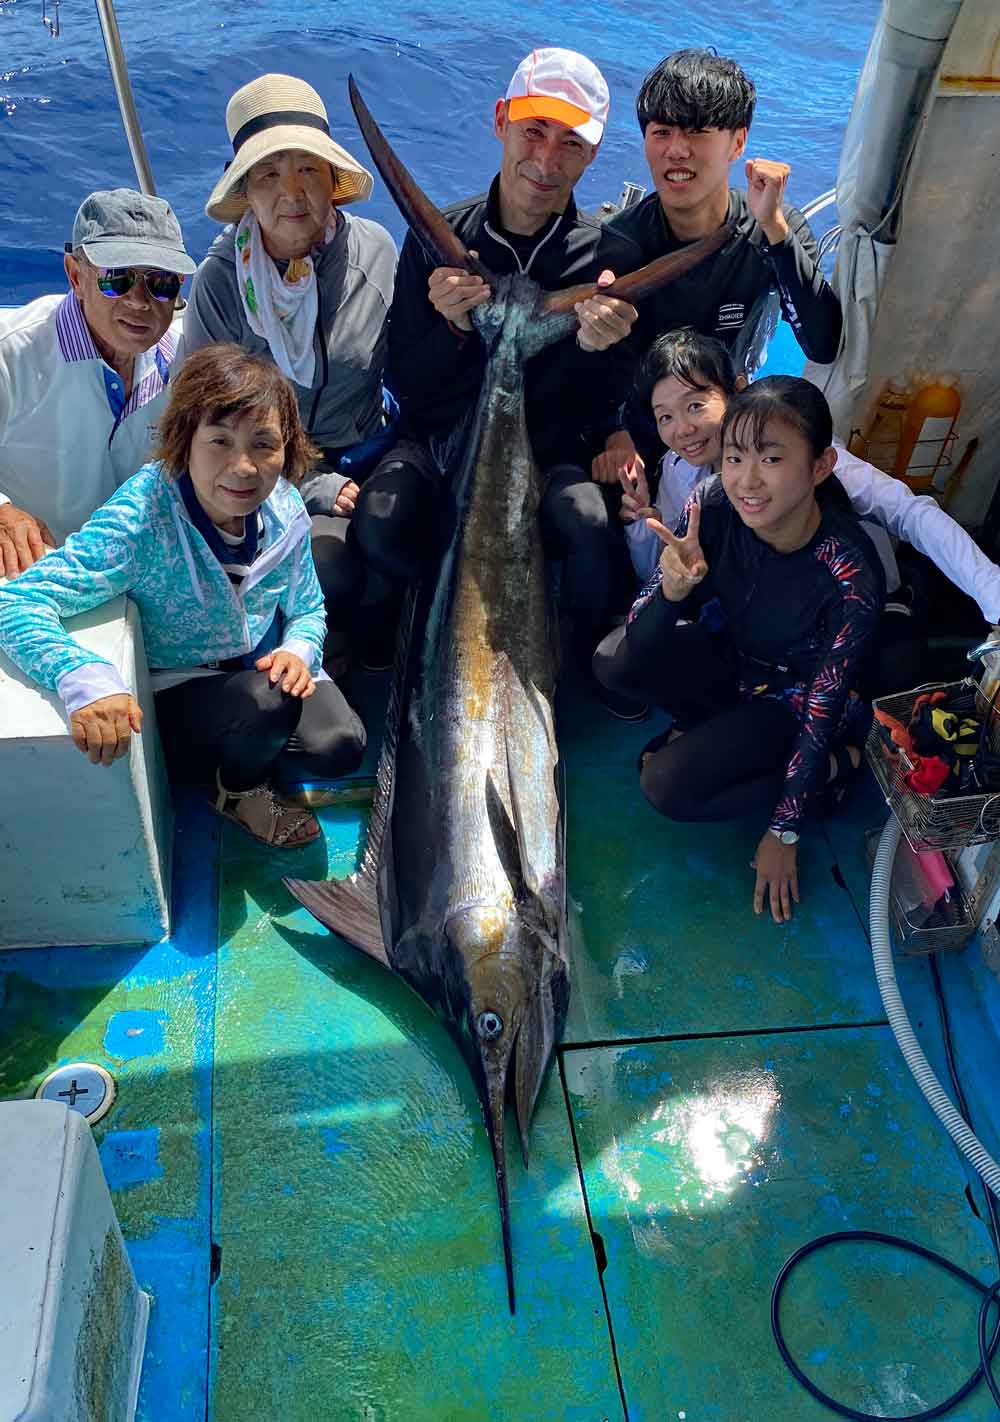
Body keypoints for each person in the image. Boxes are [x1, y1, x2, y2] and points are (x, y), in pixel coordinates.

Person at [351, 47, 644, 700]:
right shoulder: (436, 237)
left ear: (593, 155)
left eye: (571, 143)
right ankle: (433, 605)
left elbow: (597, 407)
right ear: (500, 121)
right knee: (379, 521)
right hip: (435, 445)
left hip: (543, 456)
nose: (545, 160)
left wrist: (599, 347)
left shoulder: (611, 261)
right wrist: (453, 330)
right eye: (534, 131)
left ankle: (573, 662)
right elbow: (409, 382)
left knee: (591, 526)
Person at [0, 344, 366, 849]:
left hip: (259, 665)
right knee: (267, 704)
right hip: (181, 689)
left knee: (341, 746)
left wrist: (299, 651)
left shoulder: (284, 504)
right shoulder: (139, 520)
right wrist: (84, 678)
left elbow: (307, 606)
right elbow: (16, 601)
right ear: (183, 442)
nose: (243, 467)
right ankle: (237, 790)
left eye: (264, 444)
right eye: (219, 441)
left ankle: (245, 744)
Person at [607, 376, 885, 924]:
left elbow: (823, 708)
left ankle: (839, 770)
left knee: (664, 784)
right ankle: (714, 727)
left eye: (771, 459)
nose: (746, 481)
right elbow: (639, 631)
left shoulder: (849, 573)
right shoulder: (712, 504)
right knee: (614, 661)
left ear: (821, 466)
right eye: (734, 457)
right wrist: (670, 592)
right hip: (740, 666)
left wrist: (784, 830)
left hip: (802, 700)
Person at [596, 328, 1000, 699]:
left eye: (696, 405)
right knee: (629, 657)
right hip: (755, 613)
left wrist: (994, 596)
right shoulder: (680, 471)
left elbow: (910, 513)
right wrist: (642, 522)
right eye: (665, 416)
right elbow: (664, 572)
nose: (683, 429)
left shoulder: (804, 453)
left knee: (889, 678)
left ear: (736, 391)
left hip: (842, 611)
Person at [183, 73, 398, 660]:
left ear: (332, 181)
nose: (291, 193)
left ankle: (378, 640)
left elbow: (411, 361)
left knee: (398, 532)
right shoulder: (220, 283)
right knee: (332, 567)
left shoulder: (376, 249)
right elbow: (203, 430)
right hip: (271, 474)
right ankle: (335, 646)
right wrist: (312, 484)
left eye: (308, 169)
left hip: (371, 446)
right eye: (269, 174)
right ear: (246, 191)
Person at [594, 47, 842, 502]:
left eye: (698, 132)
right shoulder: (617, 244)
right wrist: (613, 434)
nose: (676, 150)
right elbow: (592, 366)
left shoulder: (772, 225)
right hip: (645, 434)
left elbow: (822, 344)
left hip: (736, 423)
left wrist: (776, 236)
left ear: (738, 142)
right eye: (661, 131)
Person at [0, 188, 195, 576]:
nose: (140, 301)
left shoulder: (186, 363)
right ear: (75, 275)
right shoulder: (11, 351)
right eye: (118, 279)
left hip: (136, 572)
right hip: (28, 571)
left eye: (161, 283)